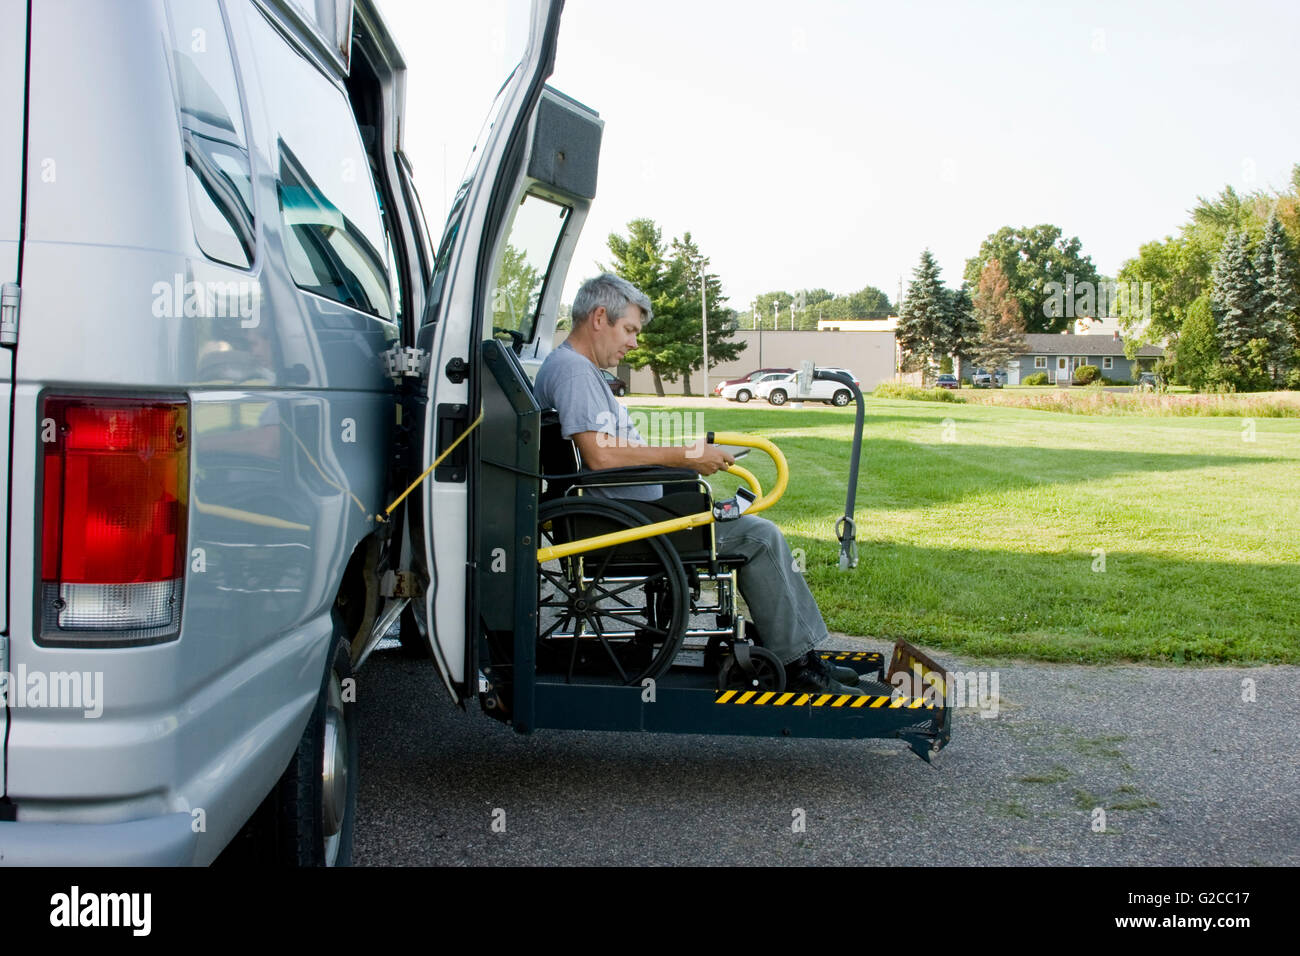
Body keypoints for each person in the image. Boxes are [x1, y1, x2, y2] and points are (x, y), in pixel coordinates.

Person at [533, 273, 863, 696]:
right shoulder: (576, 373)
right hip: (624, 526)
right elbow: (601, 456)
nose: (634, 342)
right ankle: (797, 662)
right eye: (629, 329)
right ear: (600, 317)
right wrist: (686, 456)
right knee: (759, 536)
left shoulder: (574, 368)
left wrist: (688, 455)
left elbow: (611, 449)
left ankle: (799, 653)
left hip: (629, 514)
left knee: (747, 523)